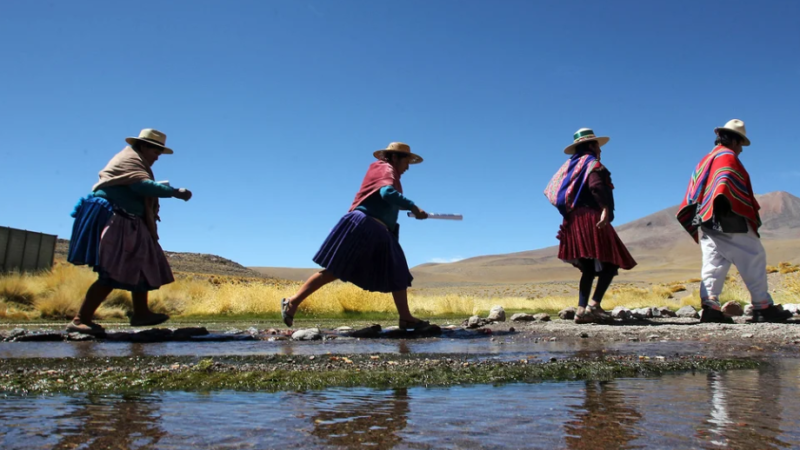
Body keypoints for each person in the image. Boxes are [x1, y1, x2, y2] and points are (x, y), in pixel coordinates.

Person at [281, 142, 430, 330]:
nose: (408, 167)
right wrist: (413, 206)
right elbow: (386, 192)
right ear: (394, 158)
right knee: (336, 269)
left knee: (397, 271)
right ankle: (293, 302)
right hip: (365, 225)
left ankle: (406, 317)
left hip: (380, 230)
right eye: (406, 161)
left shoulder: (389, 173)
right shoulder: (384, 168)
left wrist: (410, 210)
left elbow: (387, 199)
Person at [66, 129, 193, 334]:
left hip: (129, 220)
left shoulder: (137, 162)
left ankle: (141, 314)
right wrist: (173, 192)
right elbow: (140, 186)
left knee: (141, 265)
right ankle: (81, 319)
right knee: (112, 270)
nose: (157, 156)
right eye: (155, 151)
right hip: (114, 218)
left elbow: (139, 185)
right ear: (144, 146)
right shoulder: (129, 160)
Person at [676, 119, 792, 323]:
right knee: (753, 255)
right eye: (740, 144)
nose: (741, 150)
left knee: (714, 262)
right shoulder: (727, 157)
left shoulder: (706, 159)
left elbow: (698, 189)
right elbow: (725, 182)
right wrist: (728, 205)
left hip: (706, 217)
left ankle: (710, 307)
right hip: (728, 217)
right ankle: (762, 307)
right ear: (734, 141)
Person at [545, 128, 637, 323]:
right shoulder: (592, 164)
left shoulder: (571, 167)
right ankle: (594, 306)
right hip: (591, 217)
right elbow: (595, 186)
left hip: (572, 220)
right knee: (611, 261)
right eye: (597, 146)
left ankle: (580, 310)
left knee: (588, 267)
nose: (600, 150)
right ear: (591, 146)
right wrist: (605, 208)